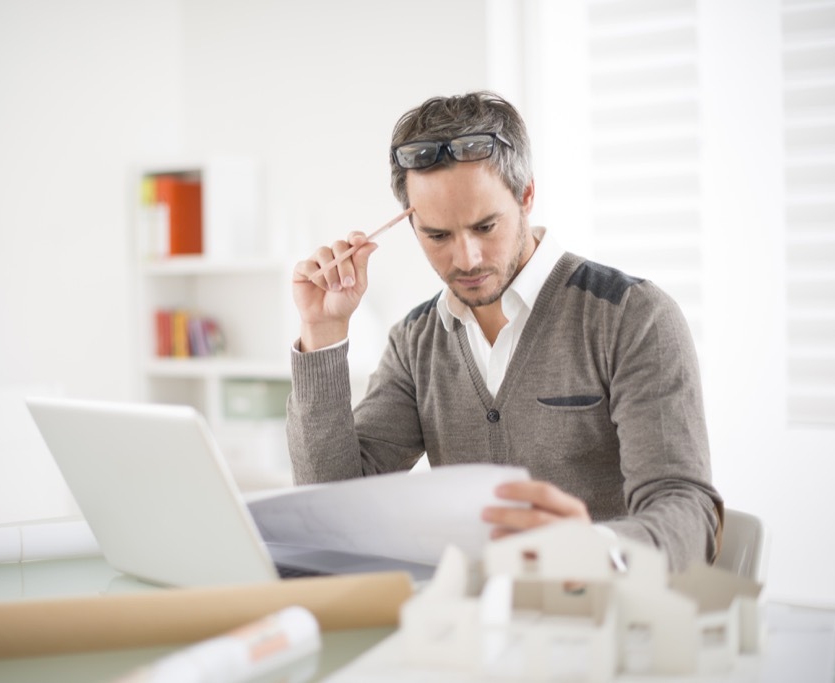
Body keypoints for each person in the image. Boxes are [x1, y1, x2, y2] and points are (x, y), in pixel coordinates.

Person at [287, 91, 722, 572]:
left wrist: (595, 549)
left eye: (485, 226)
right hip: (474, 626)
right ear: (411, 224)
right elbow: (331, 507)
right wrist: (322, 333)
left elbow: (689, 511)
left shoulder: (632, 317)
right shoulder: (415, 343)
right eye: (438, 236)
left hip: (604, 621)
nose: (466, 258)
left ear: (526, 195)